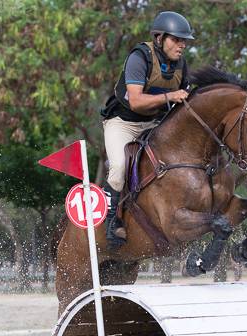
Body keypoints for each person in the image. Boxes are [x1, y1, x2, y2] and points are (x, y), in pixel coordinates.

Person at [99, 11, 194, 249]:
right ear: (159, 38)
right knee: (119, 168)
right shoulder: (140, 57)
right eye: (176, 39)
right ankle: (111, 223)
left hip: (154, 123)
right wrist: (170, 96)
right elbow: (136, 102)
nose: (182, 45)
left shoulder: (181, 65)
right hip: (123, 123)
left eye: (184, 41)